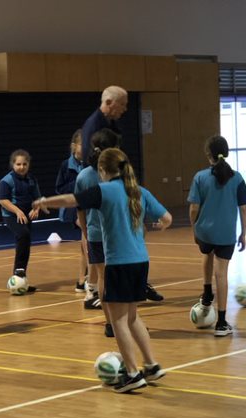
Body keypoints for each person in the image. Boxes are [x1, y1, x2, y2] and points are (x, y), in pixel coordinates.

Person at [33, 148, 172, 394]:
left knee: (117, 319)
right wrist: (149, 226)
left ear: (102, 170)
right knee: (132, 315)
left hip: (118, 263)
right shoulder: (138, 190)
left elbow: (71, 200)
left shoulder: (104, 190)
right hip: (141, 261)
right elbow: (167, 218)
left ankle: (132, 374)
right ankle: (151, 364)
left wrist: (45, 201)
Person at [81, 85, 164, 302]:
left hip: (118, 192)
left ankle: (133, 285)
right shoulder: (94, 126)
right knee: (105, 251)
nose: (126, 109)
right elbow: (96, 169)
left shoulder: (112, 124)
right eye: (123, 104)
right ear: (109, 103)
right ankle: (98, 293)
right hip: (108, 200)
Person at [188, 135, 246, 337]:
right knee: (221, 273)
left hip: (205, 231)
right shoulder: (237, 177)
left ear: (208, 155)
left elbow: (193, 208)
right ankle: (222, 323)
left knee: (207, 254)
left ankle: (207, 293)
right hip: (226, 234)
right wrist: (244, 233)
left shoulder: (200, 177)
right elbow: (243, 209)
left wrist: (194, 228)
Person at [75, 128, 122, 335]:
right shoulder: (117, 174)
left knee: (103, 278)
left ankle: (110, 324)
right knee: (119, 280)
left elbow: (80, 210)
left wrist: (85, 233)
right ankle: (123, 323)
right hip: (117, 234)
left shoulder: (83, 176)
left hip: (94, 235)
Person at [0, 149, 42, 293]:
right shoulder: (6, 181)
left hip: (26, 216)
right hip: (11, 216)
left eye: (24, 164)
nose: (21, 167)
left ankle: (21, 280)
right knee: (23, 235)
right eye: (18, 164)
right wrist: (17, 211)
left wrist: (36, 209)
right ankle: (19, 271)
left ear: (28, 164)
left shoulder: (31, 179)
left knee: (25, 243)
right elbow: (2, 200)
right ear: (12, 165)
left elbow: (38, 198)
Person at [54, 129, 87, 293]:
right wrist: (78, 182)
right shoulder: (66, 165)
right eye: (83, 143)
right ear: (74, 146)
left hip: (89, 206)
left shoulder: (91, 163)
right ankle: (88, 279)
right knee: (87, 243)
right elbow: (59, 188)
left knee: (85, 244)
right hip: (75, 208)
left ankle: (82, 280)